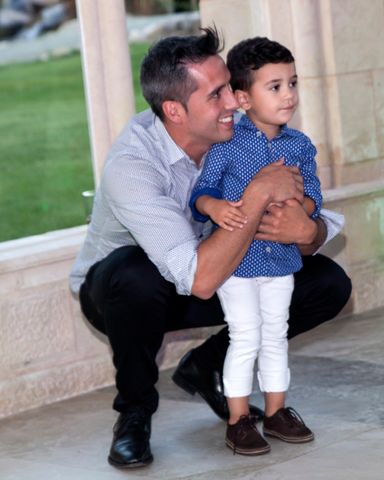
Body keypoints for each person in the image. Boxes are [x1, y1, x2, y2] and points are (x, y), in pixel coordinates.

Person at [69, 27, 351, 469]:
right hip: (131, 293)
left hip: (219, 271)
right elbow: (197, 278)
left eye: (232, 89)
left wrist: (306, 231)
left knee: (328, 282)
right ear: (174, 111)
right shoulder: (133, 163)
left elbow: (311, 224)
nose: (234, 102)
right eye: (217, 95)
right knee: (134, 273)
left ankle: (206, 365)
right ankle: (134, 413)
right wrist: (258, 196)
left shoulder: (249, 134)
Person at [190, 37, 322, 455]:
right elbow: (201, 192)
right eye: (276, 86)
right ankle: (239, 419)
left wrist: (302, 206)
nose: (289, 96)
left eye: (293, 83)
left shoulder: (300, 146)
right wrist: (214, 208)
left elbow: (314, 195)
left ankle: (277, 411)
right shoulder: (227, 144)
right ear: (243, 98)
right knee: (246, 335)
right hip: (237, 266)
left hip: (280, 260)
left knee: (276, 335)